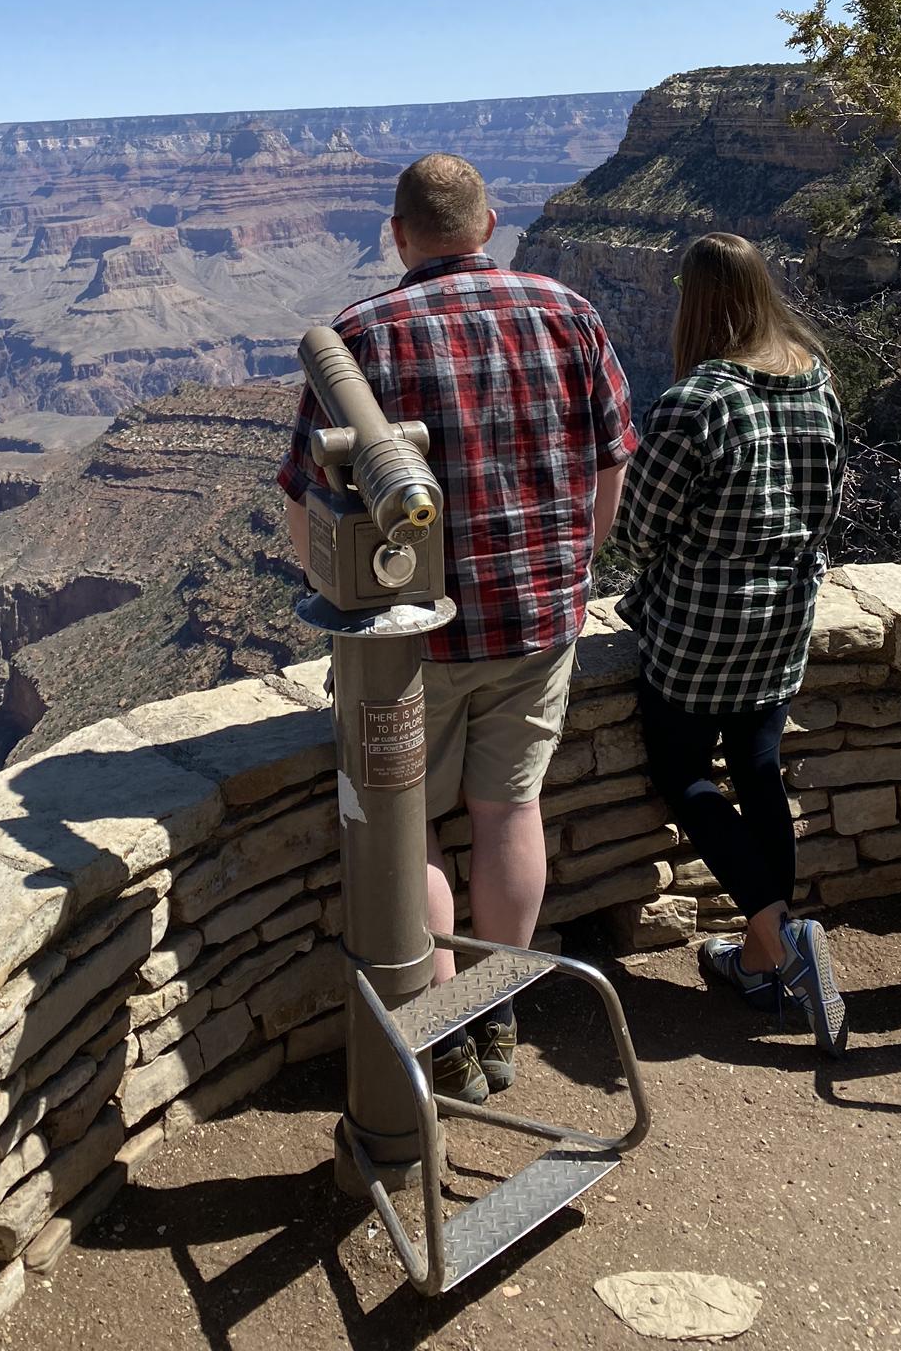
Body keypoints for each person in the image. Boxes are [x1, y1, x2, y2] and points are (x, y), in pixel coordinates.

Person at [278, 153, 636, 1101]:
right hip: (538, 618)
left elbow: (308, 507)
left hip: (411, 643)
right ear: (489, 224)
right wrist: (573, 570)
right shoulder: (569, 313)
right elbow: (611, 465)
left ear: (397, 236)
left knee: (417, 833)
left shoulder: (358, 339)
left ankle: (443, 1019)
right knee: (510, 810)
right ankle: (498, 1002)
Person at [617, 231, 849, 1055]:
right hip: (787, 611)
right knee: (757, 770)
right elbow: (830, 500)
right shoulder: (813, 375)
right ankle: (758, 959)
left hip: (700, 625)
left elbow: (640, 526)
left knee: (685, 776)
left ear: (694, 301)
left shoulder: (697, 400)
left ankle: (780, 937)